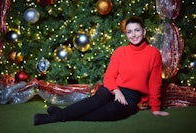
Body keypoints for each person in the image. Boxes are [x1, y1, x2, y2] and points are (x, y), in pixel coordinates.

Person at [34, 16, 169, 125]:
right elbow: (109, 76)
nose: (133, 35)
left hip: (131, 97)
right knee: (96, 101)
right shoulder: (120, 52)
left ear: (144, 31)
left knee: (110, 112)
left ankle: (59, 114)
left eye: (137, 30)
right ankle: (55, 117)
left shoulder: (153, 54)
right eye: (129, 31)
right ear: (126, 34)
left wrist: (155, 108)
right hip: (113, 88)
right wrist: (116, 91)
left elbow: (155, 83)